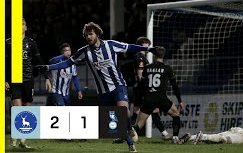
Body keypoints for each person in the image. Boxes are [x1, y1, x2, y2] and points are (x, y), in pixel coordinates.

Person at [36, 22, 158, 153]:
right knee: (117, 117)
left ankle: (130, 130)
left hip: (118, 85)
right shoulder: (84, 52)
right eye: (86, 35)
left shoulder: (110, 45)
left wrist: (148, 49)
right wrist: (49, 68)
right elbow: (67, 62)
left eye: (91, 34)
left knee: (124, 111)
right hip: (103, 91)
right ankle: (130, 143)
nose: (88, 37)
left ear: (97, 34)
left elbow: (130, 47)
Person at [5, 18, 52, 148]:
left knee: (26, 110)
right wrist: (4, 79)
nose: (20, 26)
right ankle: (14, 137)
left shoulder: (31, 43)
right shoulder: (8, 43)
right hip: (14, 80)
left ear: (26, 27)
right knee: (17, 109)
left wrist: (46, 78)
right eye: (17, 24)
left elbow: (39, 60)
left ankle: (23, 141)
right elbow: (4, 63)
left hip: (28, 80)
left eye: (22, 24)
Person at [133, 47, 184, 144]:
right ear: (163, 55)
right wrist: (180, 101)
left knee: (138, 125)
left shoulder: (147, 68)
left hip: (148, 98)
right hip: (161, 98)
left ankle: (127, 137)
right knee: (176, 114)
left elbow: (141, 86)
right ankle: (175, 138)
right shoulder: (167, 68)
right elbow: (175, 86)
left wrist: (141, 99)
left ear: (154, 55)